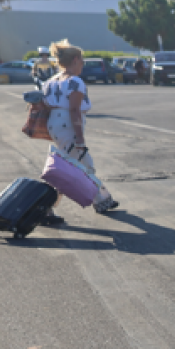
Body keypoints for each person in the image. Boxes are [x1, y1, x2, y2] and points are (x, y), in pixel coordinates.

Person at [41, 39, 120, 222]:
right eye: (82, 60)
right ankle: (44, 207)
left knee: (78, 164)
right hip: (67, 125)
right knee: (66, 168)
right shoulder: (75, 82)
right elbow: (75, 110)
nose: (83, 64)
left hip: (54, 124)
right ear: (75, 60)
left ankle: (102, 199)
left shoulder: (51, 81)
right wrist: (80, 138)